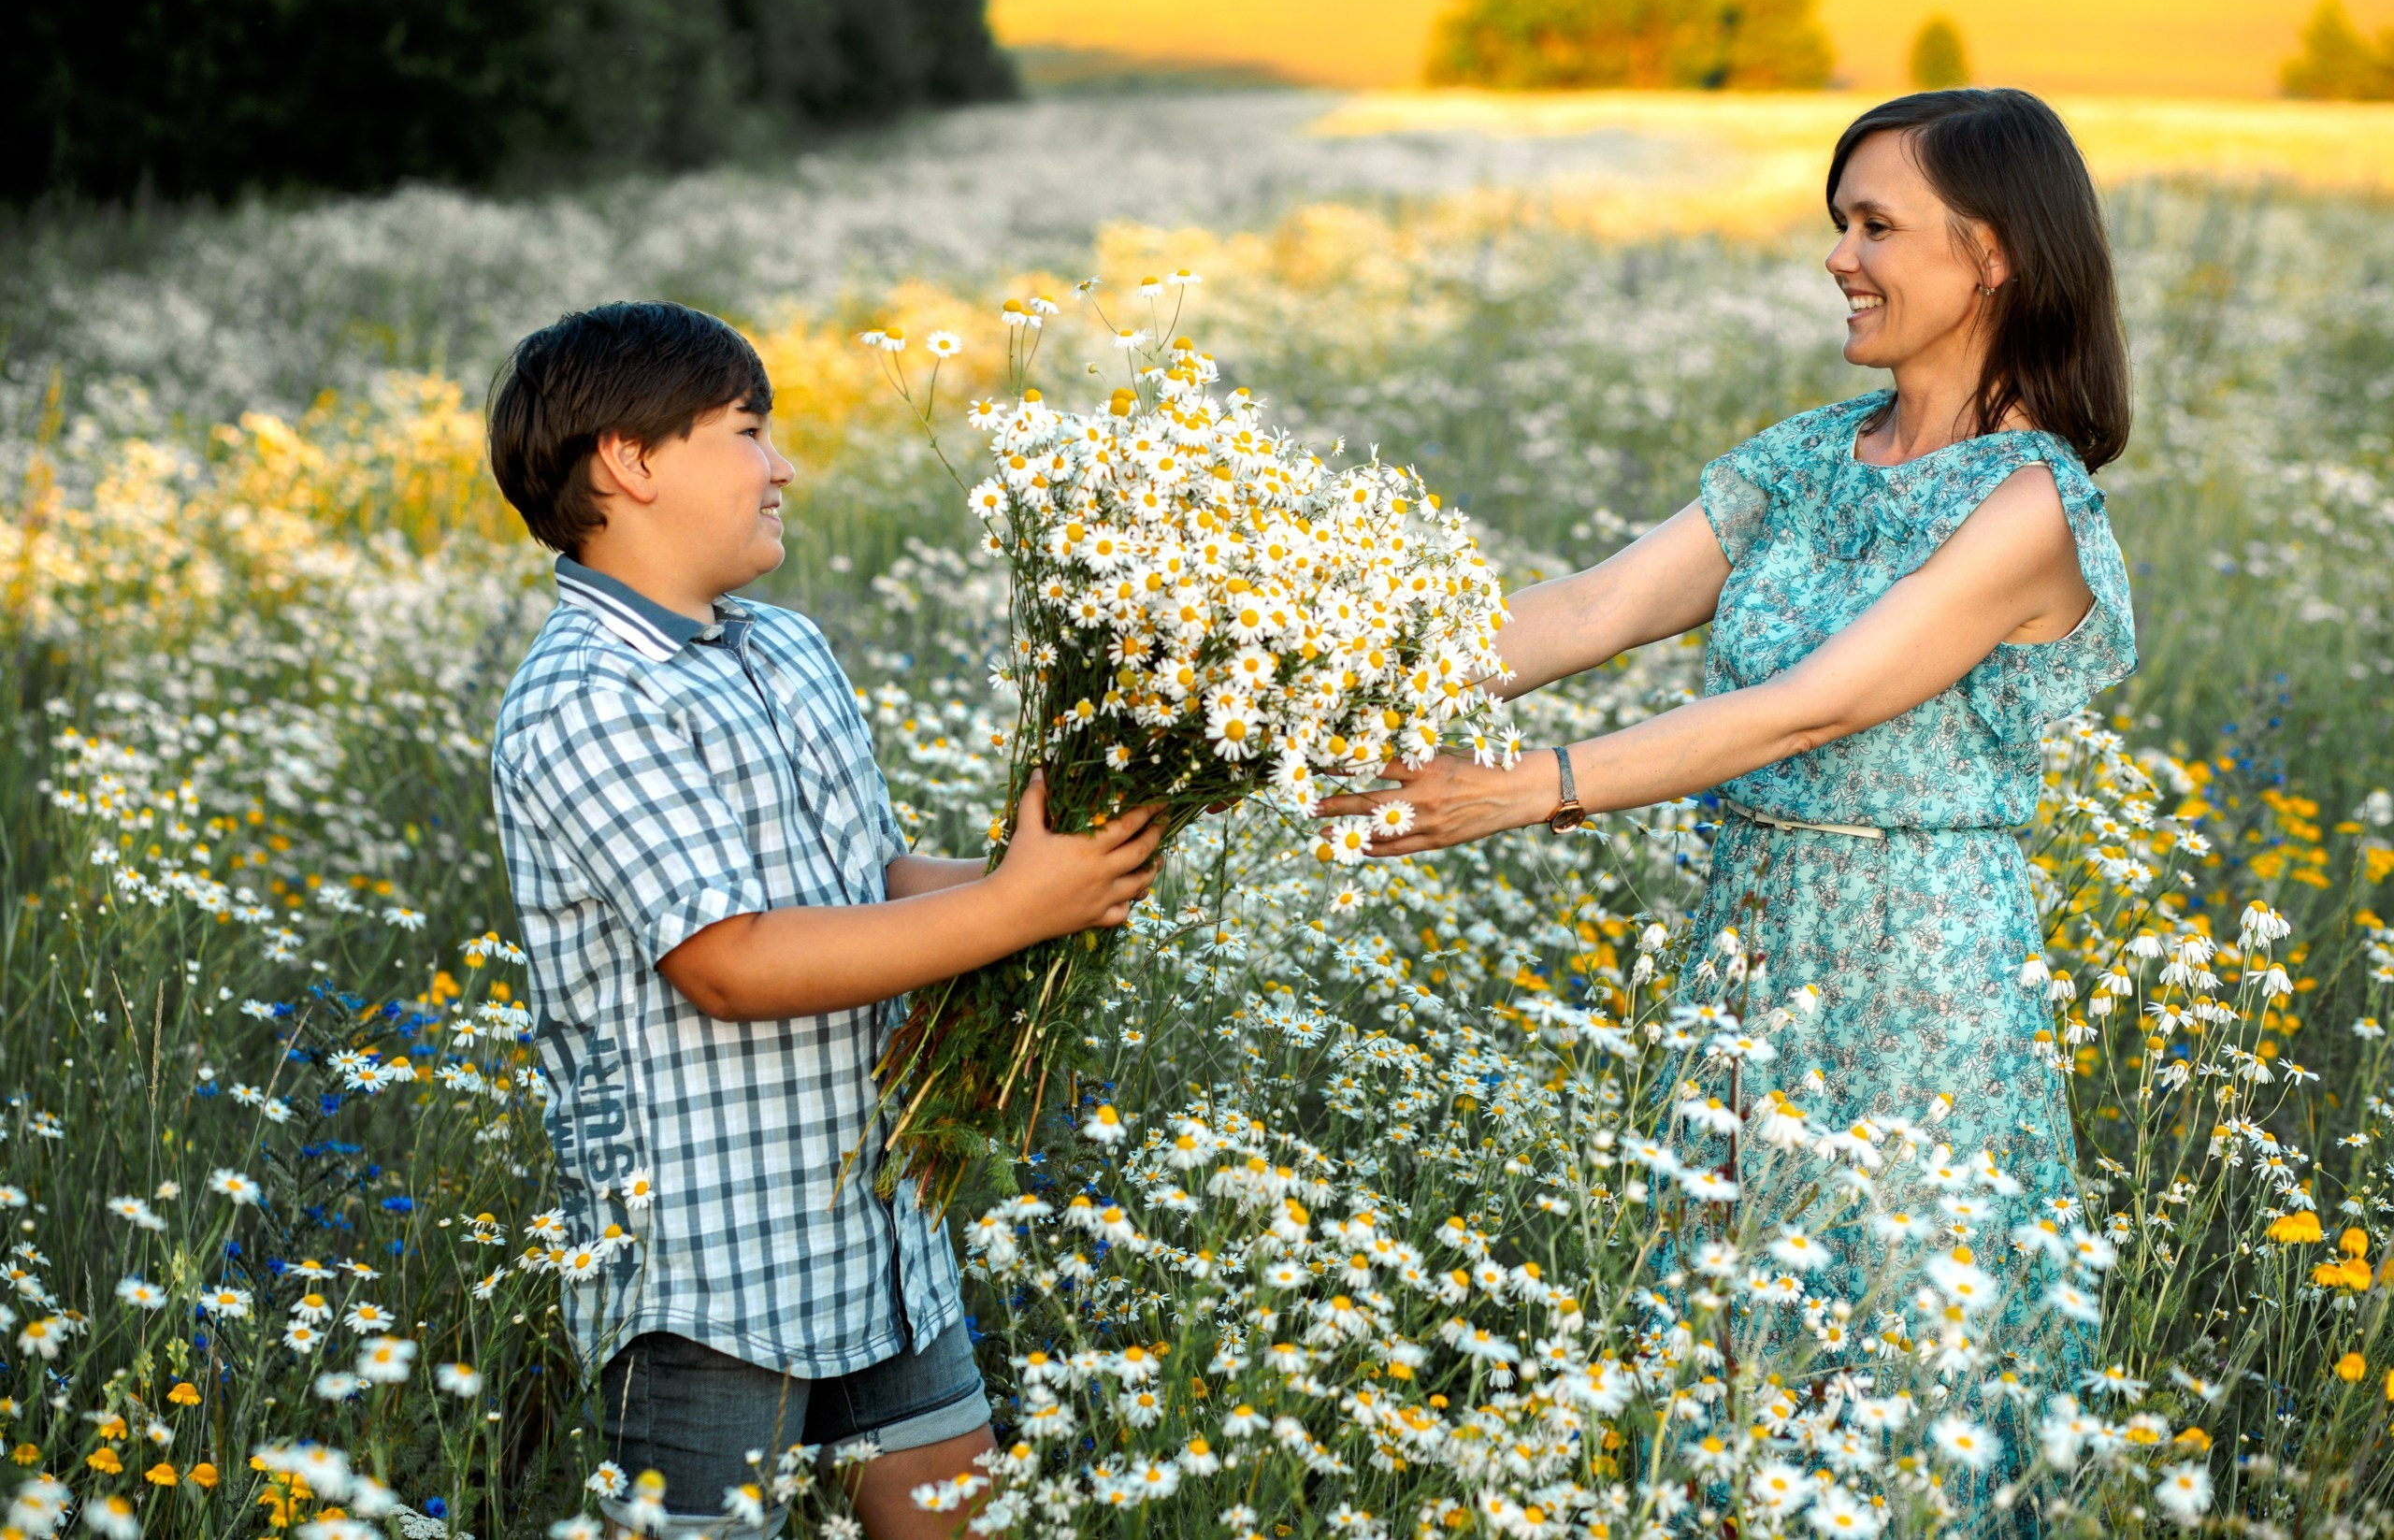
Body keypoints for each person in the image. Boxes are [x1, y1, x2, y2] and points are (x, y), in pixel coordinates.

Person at [1317, 88, 2136, 1514]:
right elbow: (1598, 604)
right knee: (1729, 1348)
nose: (1841, 258)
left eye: (1878, 226)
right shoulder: (1810, 455)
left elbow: (1808, 704)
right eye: (1841, 225)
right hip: (1750, 950)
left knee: (1894, 1368)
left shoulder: (2028, 510)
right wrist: (1302, 680)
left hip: (1910, 973)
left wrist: (1525, 792)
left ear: (1993, 255)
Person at [484, 300, 1164, 1540]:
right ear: (631, 464)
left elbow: (864, 884)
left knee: (961, 1519)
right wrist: (1017, 906)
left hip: (874, 1220)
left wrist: (1051, 874)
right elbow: (730, 964)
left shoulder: (783, 649)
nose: (781, 464)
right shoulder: (584, 699)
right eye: (746, 431)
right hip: (708, 1272)